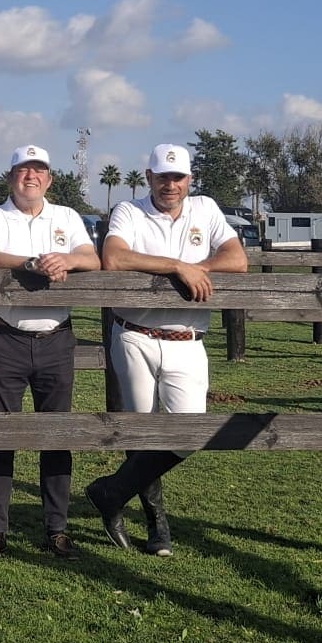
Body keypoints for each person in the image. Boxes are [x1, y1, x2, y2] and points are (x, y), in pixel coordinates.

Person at [87, 142, 248, 556]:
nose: (170, 185)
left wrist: (202, 269)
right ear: (149, 178)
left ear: (189, 180)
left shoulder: (206, 209)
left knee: (188, 432)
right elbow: (115, 259)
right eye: (162, 177)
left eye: (177, 177)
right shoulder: (129, 210)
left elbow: (237, 259)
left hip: (187, 339)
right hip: (135, 334)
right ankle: (158, 523)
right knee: (142, 433)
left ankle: (112, 492)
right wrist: (179, 266)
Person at [0, 144, 100, 560]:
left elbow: (91, 257)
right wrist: (31, 262)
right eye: (23, 170)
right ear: (10, 177)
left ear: (49, 178)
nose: (31, 176)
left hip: (56, 336)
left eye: (38, 170)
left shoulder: (66, 217)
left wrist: (67, 260)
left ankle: (57, 528)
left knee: (57, 435)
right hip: (5, 334)